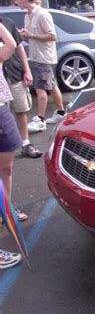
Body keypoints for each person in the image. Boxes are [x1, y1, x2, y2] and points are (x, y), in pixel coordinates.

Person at [16, 0, 66, 133]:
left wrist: (31, 35)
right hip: (36, 55)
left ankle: (40, 119)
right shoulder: (27, 15)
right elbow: (30, 37)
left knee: (40, 87)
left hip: (44, 57)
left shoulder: (43, 14)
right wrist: (24, 35)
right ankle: (61, 113)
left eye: (17, 0)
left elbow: (52, 36)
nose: (15, 3)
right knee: (51, 84)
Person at [1, 16, 41, 160]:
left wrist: (27, 70)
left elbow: (18, 48)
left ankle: (26, 144)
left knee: (21, 109)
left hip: (14, 74)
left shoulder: (8, 23)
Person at [0, 21, 23, 270]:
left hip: (2, 109)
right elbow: (10, 44)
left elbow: (10, 45)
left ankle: (6, 209)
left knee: (6, 169)